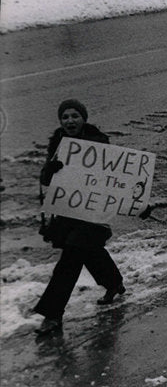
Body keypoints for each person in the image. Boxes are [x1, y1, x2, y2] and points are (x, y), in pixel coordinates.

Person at [32, 100, 125, 335]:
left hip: (93, 214)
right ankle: (114, 282)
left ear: (84, 118)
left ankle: (52, 315)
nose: (70, 121)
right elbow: (45, 180)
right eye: (65, 117)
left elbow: (114, 177)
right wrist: (51, 170)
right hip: (69, 213)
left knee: (71, 258)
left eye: (75, 116)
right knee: (89, 252)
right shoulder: (57, 143)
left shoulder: (98, 142)